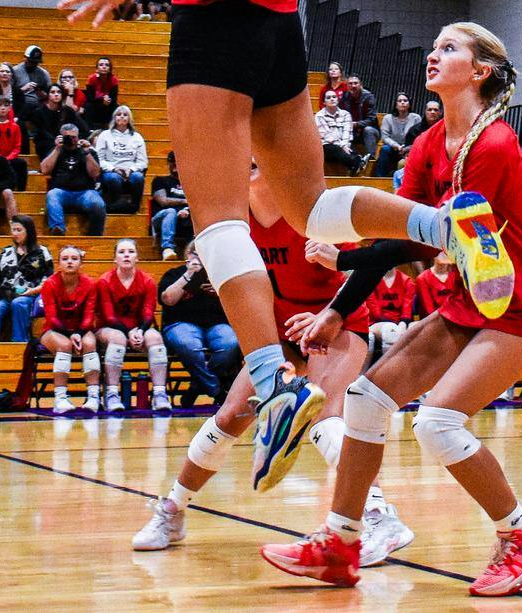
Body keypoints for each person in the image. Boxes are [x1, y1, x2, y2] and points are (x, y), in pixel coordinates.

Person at [60, 0, 499, 491]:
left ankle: (271, 384)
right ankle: (446, 226)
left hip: (219, 28)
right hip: (279, 32)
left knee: (220, 222)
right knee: (309, 211)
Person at [260, 23, 522, 596]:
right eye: (434, 45)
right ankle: (341, 543)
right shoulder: (426, 145)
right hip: (467, 302)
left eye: (450, 48)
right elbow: (416, 237)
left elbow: (439, 240)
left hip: (520, 307)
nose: (433, 53)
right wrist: (337, 312)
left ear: (481, 72)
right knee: (365, 401)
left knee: (438, 423)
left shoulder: (494, 145)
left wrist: (345, 263)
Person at [133, 171, 411, 562]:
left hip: (337, 323)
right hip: (279, 329)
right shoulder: (233, 222)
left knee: (325, 417)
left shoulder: (312, 213)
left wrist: (324, 316)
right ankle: (173, 510)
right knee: (230, 416)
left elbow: (360, 273)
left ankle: (380, 514)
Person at [96, 238, 172, 413]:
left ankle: (160, 394)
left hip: (138, 328)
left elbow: (148, 312)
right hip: (109, 328)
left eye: (130, 251)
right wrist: (130, 332)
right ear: (115, 258)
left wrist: (140, 330)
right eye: (121, 252)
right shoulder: (104, 281)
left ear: (137, 257)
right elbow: (108, 315)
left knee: (155, 337)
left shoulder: (147, 281)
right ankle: (112, 394)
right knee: (118, 338)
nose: (126, 255)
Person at [157, 246, 239, 406]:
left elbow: (237, 302)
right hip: (180, 323)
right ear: (188, 255)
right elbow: (168, 299)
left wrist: (220, 292)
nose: (201, 257)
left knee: (230, 344)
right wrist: (188, 275)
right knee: (188, 344)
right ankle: (217, 390)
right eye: (196, 253)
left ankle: (197, 386)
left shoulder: (220, 275)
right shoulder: (174, 273)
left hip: (217, 324)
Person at [38, 244, 101, 412]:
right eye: (65, 259)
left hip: (81, 328)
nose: (70, 262)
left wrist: (79, 333)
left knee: (89, 344)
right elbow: (51, 317)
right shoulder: (49, 284)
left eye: (74, 259)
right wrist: (69, 335)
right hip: (54, 329)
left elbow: (89, 315)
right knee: (64, 345)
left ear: (81, 264)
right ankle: (60, 399)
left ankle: (93, 397)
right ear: (59, 264)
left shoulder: (89, 283)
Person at [0, 215, 53, 343]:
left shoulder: (42, 252)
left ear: (28, 231)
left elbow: (50, 279)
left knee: (18, 303)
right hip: (7, 294)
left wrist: (34, 290)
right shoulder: (6, 251)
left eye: (19, 230)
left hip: (31, 295)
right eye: (13, 230)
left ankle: (20, 343)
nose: (15, 233)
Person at [42, 123, 106, 237]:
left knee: (98, 203)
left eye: (73, 137)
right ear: (60, 137)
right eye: (67, 137)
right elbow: (44, 170)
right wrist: (57, 148)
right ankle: (58, 229)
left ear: (78, 137)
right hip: (61, 191)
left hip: (85, 192)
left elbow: (95, 173)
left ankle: (95, 235)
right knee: (52, 194)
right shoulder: (56, 151)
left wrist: (86, 152)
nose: (70, 139)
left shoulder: (88, 152)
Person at [93, 105, 149, 215]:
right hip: (111, 171)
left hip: (131, 171)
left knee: (138, 177)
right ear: (114, 118)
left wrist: (131, 169)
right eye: (119, 114)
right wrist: (114, 169)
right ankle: (114, 207)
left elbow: (143, 161)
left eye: (125, 115)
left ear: (129, 118)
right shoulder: (105, 135)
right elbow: (99, 159)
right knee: (113, 179)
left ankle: (134, 207)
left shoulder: (137, 137)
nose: (122, 117)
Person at [362, 266, 413, 365]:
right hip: (376, 323)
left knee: (419, 329)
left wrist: (403, 324)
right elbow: (376, 312)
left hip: (400, 323)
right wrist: (396, 328)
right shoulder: (371, 280)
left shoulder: (407, 281)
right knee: (390, 331)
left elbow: (407, 309)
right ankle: (382, 373)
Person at [151, 152, 191, 260]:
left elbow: (198, 203)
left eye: (178, 163)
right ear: (168, 163)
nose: (175, 165)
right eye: (172, 162)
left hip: (184, 217)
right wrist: (185, 201)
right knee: (171, 212)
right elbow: (163, 201)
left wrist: (187, 209)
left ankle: (192, 251)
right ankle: (167, 248)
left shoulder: (191, 184)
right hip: (162, 218)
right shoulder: (159, 180)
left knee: (197, 214)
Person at [374, 93, 420, 178]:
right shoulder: (388, 118)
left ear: (409, 104)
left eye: (405, 101)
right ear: (395, 105)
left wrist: (407, 148)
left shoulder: (416, 118)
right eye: (400, 101)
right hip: (393, 148)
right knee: (384, 149)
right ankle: (379, 178)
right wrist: (397, 146)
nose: (402, 102)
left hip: (410, 149)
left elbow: (419, 137)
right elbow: (385, 137)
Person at [315, 88, 357, 171]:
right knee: (335, 149)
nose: (332, 99)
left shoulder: (346, 114)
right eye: (328, 97)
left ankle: (355, 164)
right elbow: (327, 135)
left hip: (344, 144)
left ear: (338, 100)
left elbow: (347, 132)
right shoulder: (319, 116)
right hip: (328, 146)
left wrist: (345, 145)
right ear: (324, 102)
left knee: (350, 148)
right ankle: (356, 162)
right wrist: (342, 146)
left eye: (334, 97)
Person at [11, 46, 53, 125]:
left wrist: (39, 92)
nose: (34, 64)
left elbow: (48, 95)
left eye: (36, 62)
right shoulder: (15, 71)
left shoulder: (43, 73)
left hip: (38, 105)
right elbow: (9, 93)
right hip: (20, 104)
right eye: (31, 62)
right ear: (25, 58)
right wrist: (23, 90)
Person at [345, 75, 379, 162]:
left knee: (368, 130)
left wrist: (356, 124)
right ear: (347, 86)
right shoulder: (345, 97)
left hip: (369, 131)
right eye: (350, 84)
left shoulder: (369, 97)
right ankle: (355, 159)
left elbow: (372, 119)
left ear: (360, 85)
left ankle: (370, 159)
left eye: (355, 83)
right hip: (351, 131)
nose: (353, 86)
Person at [82, 56, 119, 132]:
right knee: (88, 106)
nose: (104, 67)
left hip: (108, 106)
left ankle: (113, 128)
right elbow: (89, 98)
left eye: (106, 65)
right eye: (101, 65)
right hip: (95, 105)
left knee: (117, 107)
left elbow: (114, 98)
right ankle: (89, 129)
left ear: (110, 68)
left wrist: (108, 101)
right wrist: (102, 99)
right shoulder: (91, 78)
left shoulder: (113, 79)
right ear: (97, 68)